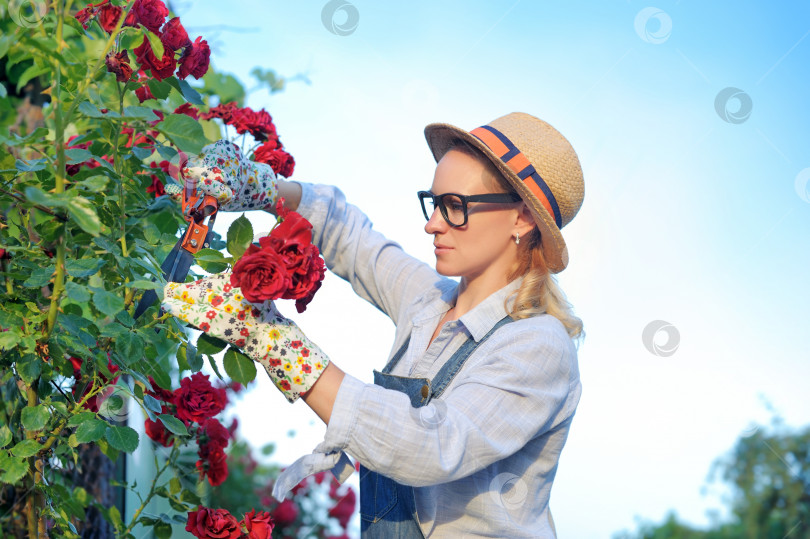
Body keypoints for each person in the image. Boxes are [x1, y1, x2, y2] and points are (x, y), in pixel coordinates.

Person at [162, 112, 585, 538]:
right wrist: (260, 186)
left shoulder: (538, 345)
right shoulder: (430, 301)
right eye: (434, 202)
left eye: (455, 206)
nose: (432, 223)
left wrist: (273, 341)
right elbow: (347, 235)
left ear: (522, 218)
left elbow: (430, 446)